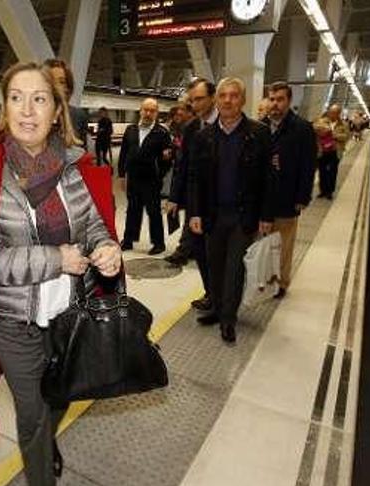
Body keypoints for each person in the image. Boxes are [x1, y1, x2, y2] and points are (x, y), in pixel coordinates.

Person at [0, 62, 121, 486]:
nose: (27, 109)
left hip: (69, 313)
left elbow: (94, 224)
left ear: (57, 111)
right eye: (16, 98)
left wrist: (108, 248)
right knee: (34, 412)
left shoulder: (75, 168)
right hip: (11, 320)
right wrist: (56, 259)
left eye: (39, 98)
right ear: (4, 110)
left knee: (60, 394)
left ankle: (43, 446)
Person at [187, 77, 276, 344]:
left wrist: (266, 215)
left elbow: (268, 178)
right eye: (223, 95)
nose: (227, 100)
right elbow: (195, 178)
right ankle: (216, 308)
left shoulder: (258, 133)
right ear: (217, 100)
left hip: (242, 215)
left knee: (234, 268)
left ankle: (228, 319)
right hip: (213, 214)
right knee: (214, 266)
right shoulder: (205, 136)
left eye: (233, 95)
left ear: (243, 100)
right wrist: (194, 213)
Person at [164, 78, 217, 312]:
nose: (195, 105)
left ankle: (223, 299)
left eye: (200, 99)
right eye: (192, 100)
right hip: (197, 203)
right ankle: (211, 294)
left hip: (225, 203)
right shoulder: (191, 128)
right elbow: (182, 166)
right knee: (203, 253)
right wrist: (174, 197)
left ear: (212, 97)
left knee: (222, 254)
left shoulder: (227, 124)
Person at [265, 81, 317, 299]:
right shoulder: (261, 126)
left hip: (287, 195)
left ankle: (281, 282)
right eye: (272, 99)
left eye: (280, 99)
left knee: (283, 244)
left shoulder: (302, 128)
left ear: (289, 101)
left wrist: (302, 196)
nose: (275, 104)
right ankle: (265, 278)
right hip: (264, 196)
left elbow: (308, 164)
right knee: (265, 242)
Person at [118, 97, 172, 255]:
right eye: (145, 110)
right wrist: (122, 175)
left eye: (152, 111)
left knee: (153, 211)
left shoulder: (161, 133)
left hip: (151, 180)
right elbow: (123, 154)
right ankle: (128, 240)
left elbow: (168, 158)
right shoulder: (131, 130)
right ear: (140, 111)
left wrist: (159, 173)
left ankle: (158, 243)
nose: (148, 113)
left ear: (156, 113)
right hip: (133, 178)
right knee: (133, 209)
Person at [43, 58, 89, 148]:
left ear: (68, 88)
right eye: (50, 81)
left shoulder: (77, 115)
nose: (55, 86)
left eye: (61, 82)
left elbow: (82, 152)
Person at [313, 103, 349, 199]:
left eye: (335, 113)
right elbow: (315, 129)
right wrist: (322, 130)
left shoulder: (344, 124)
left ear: (339, 114)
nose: (332, 114)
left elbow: (346, 137)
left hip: (335, 151)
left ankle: (330, 192)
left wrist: (333, 135)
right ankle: (323, 191)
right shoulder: (323, 121)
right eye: (331, 112)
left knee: (332, 172)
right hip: (323, 151)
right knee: (322, 171)